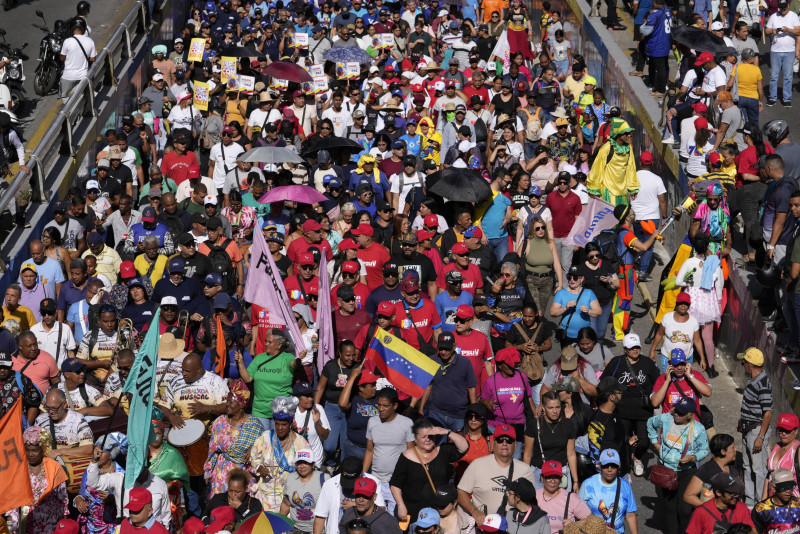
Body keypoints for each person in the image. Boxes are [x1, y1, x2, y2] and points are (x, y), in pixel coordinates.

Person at [646, 397, 710, 534]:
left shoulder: (699, 429)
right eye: (676, 410)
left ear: (689, 415)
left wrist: (693, 457)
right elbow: (650, 422)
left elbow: (705, 450)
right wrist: (655, 443)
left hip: (686, 472)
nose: (676, 414)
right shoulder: (666, 419)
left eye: (681, 413)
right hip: (666, 471)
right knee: (670, 508)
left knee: (685, 509)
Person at [392, 418, 470, 523]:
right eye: (423, 437)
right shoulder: (406, 456)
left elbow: (464, 447)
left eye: (431, 436)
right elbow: (395, 484)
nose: (428, 439)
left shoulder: (443, 451)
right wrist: (400, 505)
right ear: (415, 438)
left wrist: (446, 432)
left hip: (438, 509)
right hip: (414, 510)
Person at [457, 423, 534, 529]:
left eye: (509, 440)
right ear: (493, 443)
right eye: (500, 440)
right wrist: (475, 512)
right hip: (483, 527)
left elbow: (530, 502)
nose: (504, 443)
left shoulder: (525, 470)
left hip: (512, 527)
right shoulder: (477, 464)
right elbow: (461, 492)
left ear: (515, 445)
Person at [204, 379, 265, 497]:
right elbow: (212, 451)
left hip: (243, 476)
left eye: (231, 401)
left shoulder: (254, 424)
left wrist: (253, 448)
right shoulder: (220, 422)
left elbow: (264, 446)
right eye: (227, 401)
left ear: (241, 404)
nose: (227, 404)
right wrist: (208, 472)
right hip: (221, 474)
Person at [249, 396, 311, 511]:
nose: (279, 428)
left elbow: (307, 467)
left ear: (290, 424)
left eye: (284, 425)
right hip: (264, 496)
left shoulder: (300, 443)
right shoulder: (266, 437)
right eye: (277, 424)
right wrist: (259, 468)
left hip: (287, 498)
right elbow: (253, 458)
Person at [7, 426, 69, 533]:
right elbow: (13, 500)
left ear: (42, 450)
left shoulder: (54, 467)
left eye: (34, 450)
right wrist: (11, 524)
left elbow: (63, 498)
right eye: (28, 450)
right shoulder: (19, 468)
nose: (30, 454)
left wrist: (64, 522)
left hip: (51, 522)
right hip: (27, 521)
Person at [363, 388, 414, 514]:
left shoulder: (407, 423)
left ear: (395, 406)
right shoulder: (372, 422)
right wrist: (363, 475)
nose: (381, 409)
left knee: (393, 522)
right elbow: (370, 451)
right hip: (376, 481)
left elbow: (411, 453)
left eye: (385, 406)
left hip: (396, 484)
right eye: (379, 405)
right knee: (374, 519)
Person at [236, 329, 299, 428]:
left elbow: (294, 365)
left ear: (279, 345)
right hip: (260, 411)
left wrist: (299, 360)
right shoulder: (259, 358)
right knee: (262, 442)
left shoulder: (287, 358)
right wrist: (240, 362)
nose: (266, 344)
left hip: (281, 410)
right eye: (265, 341)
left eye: (269, 342)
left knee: (278, 441)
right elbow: (247, 378)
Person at [419, 332, 478, 431]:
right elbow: (428, 386)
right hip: (436, 414)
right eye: (441, 348)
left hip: (458, 416)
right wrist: (421, 408)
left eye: (447, 349)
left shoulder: (465, 363)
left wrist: (475, 413)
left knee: (458, 446)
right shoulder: (432, 360)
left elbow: (472, 389)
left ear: (454, 346)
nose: (443, 352)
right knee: (436, 445)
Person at [313, 456, 386, 534]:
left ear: (361, 473)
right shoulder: (329, 484)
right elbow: (320, 516)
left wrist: (356, 506)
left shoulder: (373, 482)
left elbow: (381, 511)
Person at [523, 390, 579, 490]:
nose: (555, 411)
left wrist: (575, 481)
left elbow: (571, 454)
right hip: (539, 473)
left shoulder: (568, 424)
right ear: (543, 408)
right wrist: (525, 479)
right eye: (551, 408)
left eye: (557, 407)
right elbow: (527, 455)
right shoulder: (534, 425)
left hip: (561, 473)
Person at [578, 449, 639, 534]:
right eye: (606, 465)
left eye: (613, 466)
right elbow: (578, 511)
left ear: (619, 465)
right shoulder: (588, 484)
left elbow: (631, 515)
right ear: (600, 465)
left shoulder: (625, 486)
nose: (609, 469)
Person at [587, 118, 640, 205]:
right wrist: (594, 188)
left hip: (622, 192)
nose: (629, 135)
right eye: (626, 133)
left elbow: (631, 168)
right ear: (618, 134)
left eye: (629, 133)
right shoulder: (607, 148)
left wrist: (633, 187)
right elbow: (597, 169)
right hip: (608, 191)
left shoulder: (628, 148)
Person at [648, 292, 706, 372]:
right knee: (668, 381)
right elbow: (659, 334)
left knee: (684, 383)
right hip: (668, 359)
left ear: (689, 306)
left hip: (686, 360)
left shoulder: (693, 321)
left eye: (685, 303)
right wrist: (652, 350)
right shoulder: (667, 317)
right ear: (676, 304)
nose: (683, 305)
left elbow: (697, 341)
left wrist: (702, 359)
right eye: (681, 303)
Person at [685, 472, 755, 534]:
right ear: (718, 493)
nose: (736, 495)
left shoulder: (741, 507)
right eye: (732, 493)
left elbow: (753, 532)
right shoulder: (701, 512)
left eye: (736, 491)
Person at [535, 460, 593, 532]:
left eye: (556, 477)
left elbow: (592, 520)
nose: (553, 481)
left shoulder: (571, 498)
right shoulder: (534, 497)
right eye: (549, 477)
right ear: (542, 478)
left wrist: (575, 525)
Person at [550, 266, 601, 346]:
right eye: (569, 277)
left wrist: (589, 311)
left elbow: (598, 311)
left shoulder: (589, 293)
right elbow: (552, 313)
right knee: (568, 358)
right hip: (567, 335)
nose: (572, 280)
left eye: (575, 277)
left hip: (584, 336)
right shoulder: (561, 293)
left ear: (582, 279)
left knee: (583, 358)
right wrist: (565, 307)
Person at [280, 449, 329, 534]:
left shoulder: (324, 478)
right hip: (294, 529)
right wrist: (278, 524)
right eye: (299, 463)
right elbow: (286, 503)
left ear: (313, 465)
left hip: (318, 530)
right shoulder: (290, 478)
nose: (302, 466)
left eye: (306, 462)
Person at [765, 0, 799, 107]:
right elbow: (766, 31)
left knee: (788, 76)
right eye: (780, 8)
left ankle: (787, 98)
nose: (782, 10)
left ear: (789, 5)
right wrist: (773, 31)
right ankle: (772, 98)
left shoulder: (794, 16)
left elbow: (798, 32)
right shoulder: (774, 16)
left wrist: (788, 29)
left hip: (789, 50)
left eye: (784, 7)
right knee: (774, 76)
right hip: (776, 50)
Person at [762, 413, 800, 500]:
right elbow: (769, 474)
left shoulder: (797, 450)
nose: (783, 433)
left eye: (787, 430)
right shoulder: (776, 446)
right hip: (773, 498)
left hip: (791, 501)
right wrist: (763, 498)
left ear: (796, 431)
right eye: (780, 429)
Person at [752, 467, 800, 532]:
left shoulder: (798, 504)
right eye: (783, 488)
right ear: (773, 488)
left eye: (791, 487)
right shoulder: (761, 509)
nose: (788, 491)